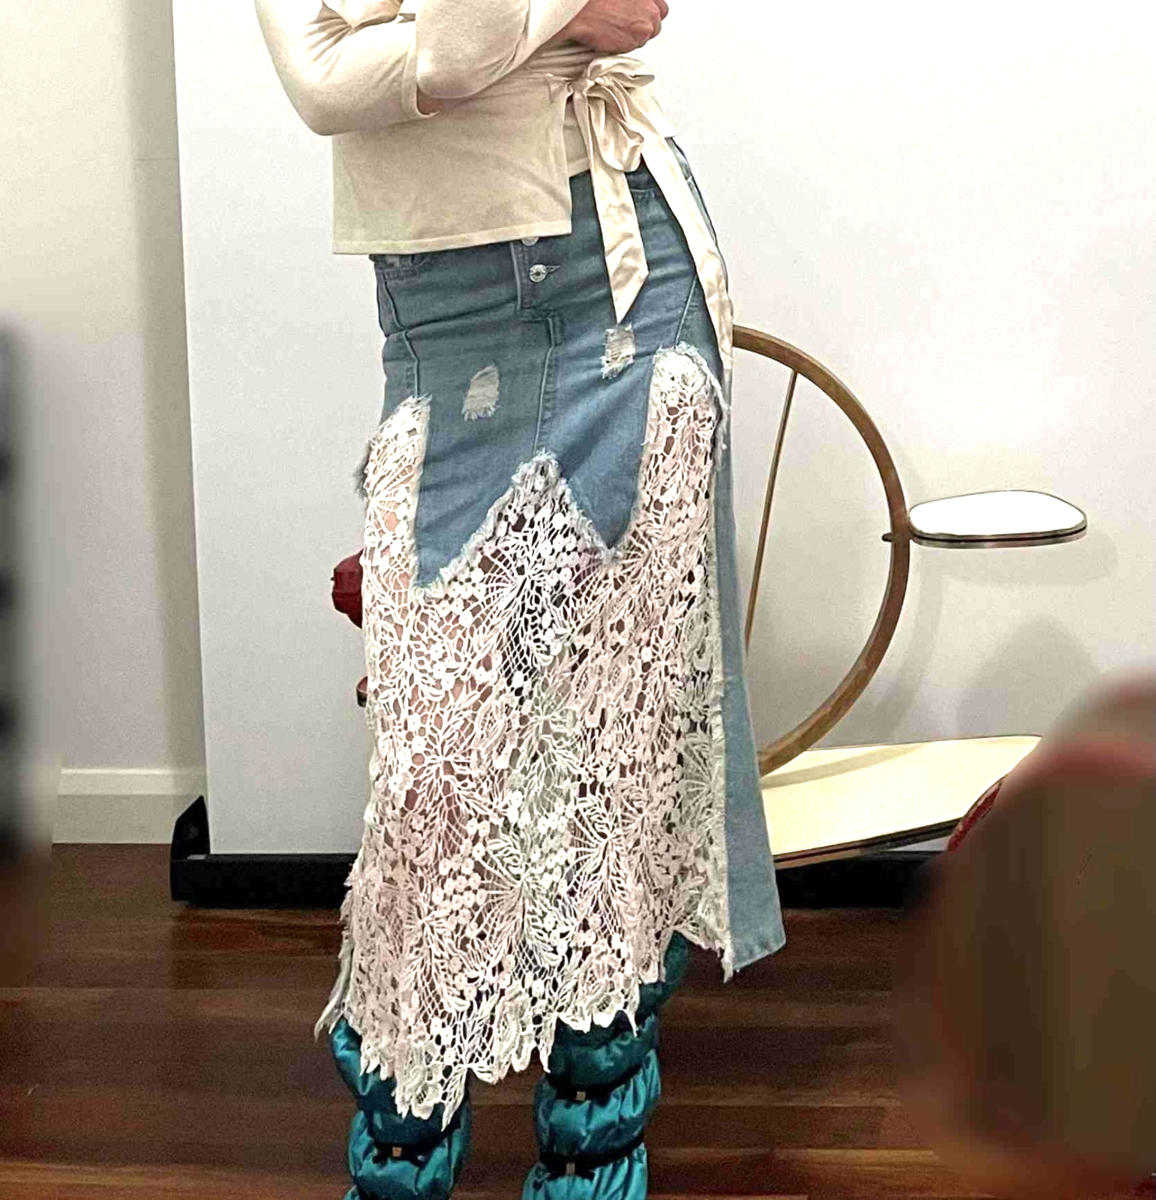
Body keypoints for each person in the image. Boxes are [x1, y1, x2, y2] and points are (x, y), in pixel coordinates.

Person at [252, 2, 786, 1196]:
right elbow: (328, 81)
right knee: (430, 787)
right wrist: (554, 18)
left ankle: (593, 1162)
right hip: (443, 313)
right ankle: (401, 1164)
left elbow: (566, 25)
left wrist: (456, 40)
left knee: (614, 765)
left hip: (624, 273)